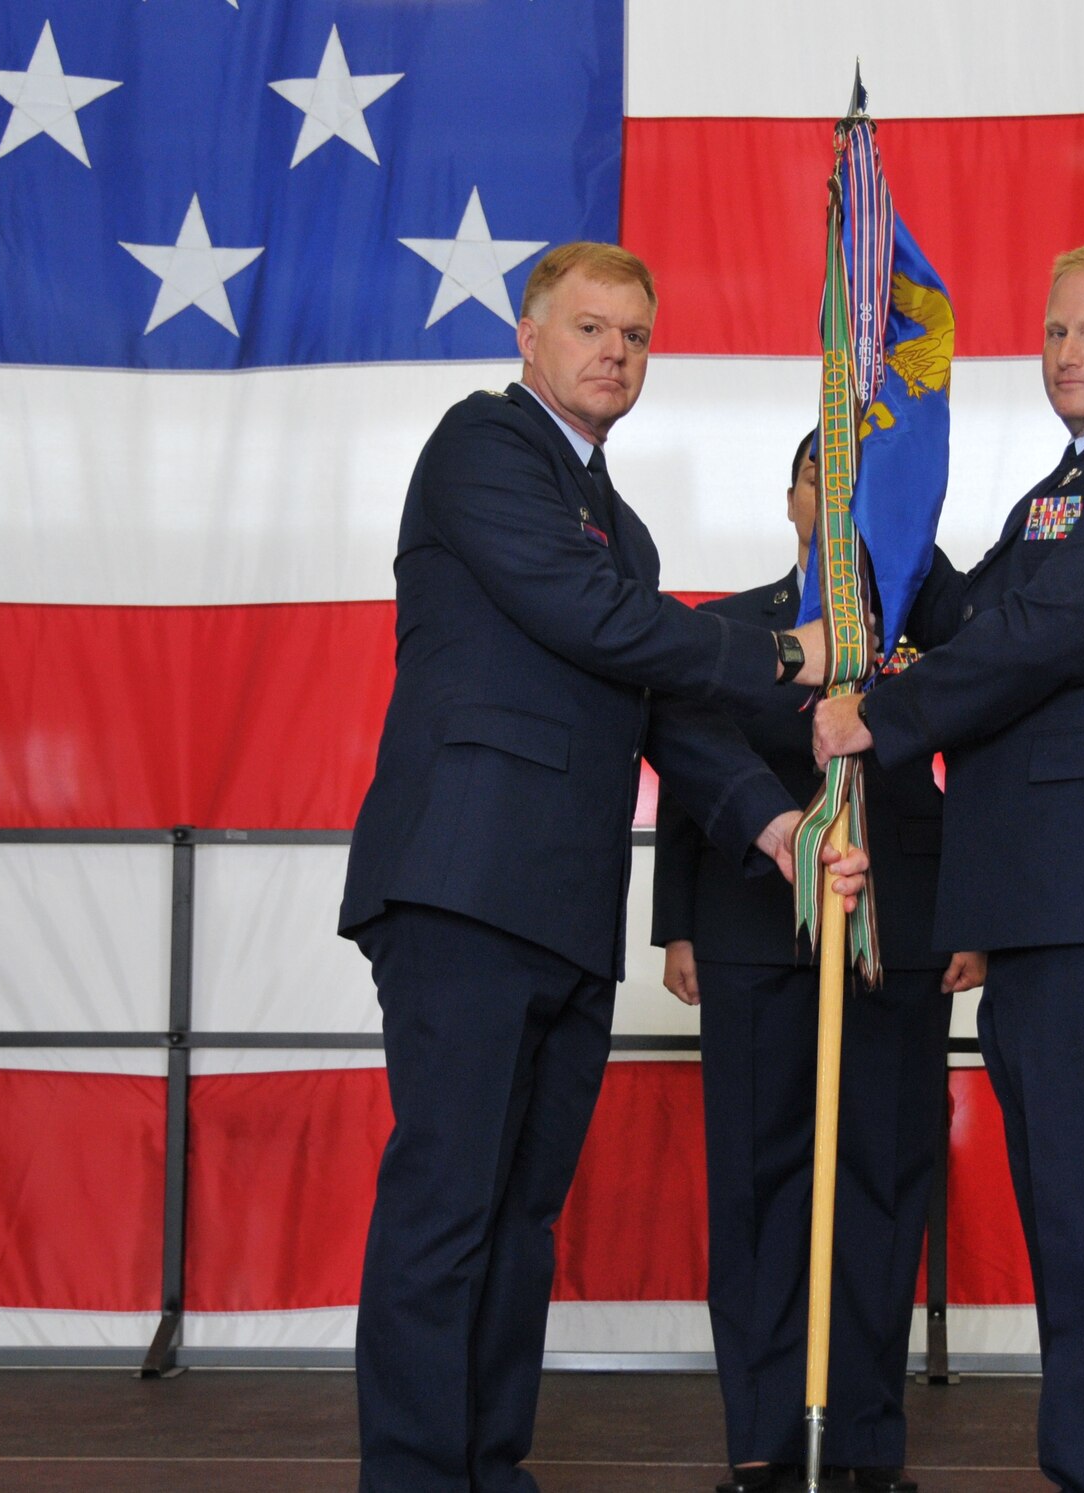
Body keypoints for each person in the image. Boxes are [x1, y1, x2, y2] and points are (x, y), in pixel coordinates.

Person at [338, 242, 862, 1493]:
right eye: (588, 327)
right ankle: (414, 1477)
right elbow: (598, 623)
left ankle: (485, 1463)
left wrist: (773, 826)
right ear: (527, 336)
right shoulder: (483, 446)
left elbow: (663, 709)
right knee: (448, 1203)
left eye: (633, 333)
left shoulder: (619, 522)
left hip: (566, 907)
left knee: (518, 1218)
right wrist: (790, 654)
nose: (613, 352)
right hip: (462, 881)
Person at [812, 241, 1084, 1493]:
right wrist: (880, 525)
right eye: (1056, 329)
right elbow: (981, 621)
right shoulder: (1070, 484)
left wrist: (880, 718)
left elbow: (1049, 634)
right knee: (1075, 1214)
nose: (1065, 351)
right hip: (1053, 903)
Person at [653, 430, 983, 1493]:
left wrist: (978, 908)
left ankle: (864, 1443)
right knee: (760, 1182)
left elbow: (982, 756)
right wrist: (677, 926)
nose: (832, 498)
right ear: (787, 496)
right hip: (752, 930)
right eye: (817, 477)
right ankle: (759, 1438)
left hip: (902, 926)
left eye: (857, 487)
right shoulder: (726, 631)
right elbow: (687, 783)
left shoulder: (933, 630)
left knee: (883, 1179)